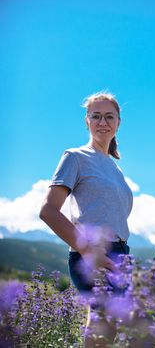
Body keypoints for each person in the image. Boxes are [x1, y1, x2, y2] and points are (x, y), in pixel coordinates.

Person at [39, 91, 133, 347]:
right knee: (102, 324)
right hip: (91, 252)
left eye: (109, 117)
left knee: (112, 329)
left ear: (118, 123)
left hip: (121, 254)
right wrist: (90, 252)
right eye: (96, 116)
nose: (103, 122)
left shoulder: (115, 168)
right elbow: (48, 211)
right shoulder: (75, 157)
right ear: (87, 121)